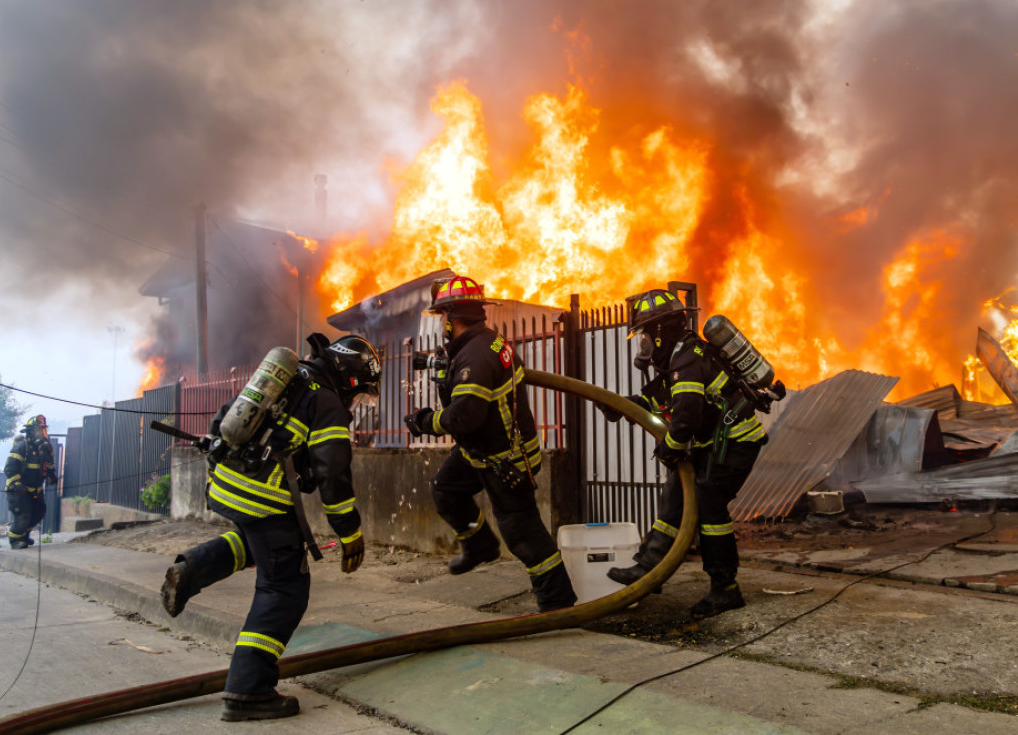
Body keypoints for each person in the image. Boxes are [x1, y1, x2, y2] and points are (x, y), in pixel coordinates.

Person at [159, 332, 381, 722]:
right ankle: (248, 690)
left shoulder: (287, 378)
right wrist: (349, 532)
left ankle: (192, 569)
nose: (355, 400)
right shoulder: (327, 402)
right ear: (349, 377)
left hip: (225, 484)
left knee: (260, 542)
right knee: (284, 587)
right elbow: (333, 474)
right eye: (359, 392)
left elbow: (227, 415)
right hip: (262, 496)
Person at [404, 276, 577, 612]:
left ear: (452, 318)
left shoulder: (475, 357)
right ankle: (480, 545)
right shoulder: (488, 343)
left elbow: (464, 418)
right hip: (479, 451)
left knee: (523, 534)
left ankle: (558, 605)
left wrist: (424, 421)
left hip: (505, 459)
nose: (442, 325)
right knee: (446, 489)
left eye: (443, 318)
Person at [604, 289, 767, 620]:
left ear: (661, 330)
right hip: (715, 445)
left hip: (735, 442)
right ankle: (649, 569)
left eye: (645, 335)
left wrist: (671, 448)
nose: (643, 344)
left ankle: (725, 590)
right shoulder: (676, 357)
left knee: (709, 507)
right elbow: (660, 401)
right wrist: (620, 406)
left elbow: (687, 414)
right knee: (675, 493)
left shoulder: (687, 357)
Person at [5, 415, 57, 549]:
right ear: (30, 431)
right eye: (38, 430)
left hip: (36, 490)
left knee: (38, 513)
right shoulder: (22, 447)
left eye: (43, 430)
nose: (41, 433)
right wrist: (17, 485)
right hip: (18, 491)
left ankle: (24, 536)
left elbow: (49, 463)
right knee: (24, 515)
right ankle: (15, 540)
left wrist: (51, 475)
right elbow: (10, 469)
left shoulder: (44, 449)